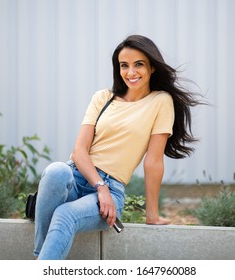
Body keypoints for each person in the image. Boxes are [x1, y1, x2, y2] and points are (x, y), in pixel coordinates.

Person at [34, 34, 202, 260]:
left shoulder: (160, 101)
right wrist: (100, 187)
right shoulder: (103, 98)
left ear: (152, 67)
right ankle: (41, 259)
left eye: (139, 65)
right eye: (124, 66)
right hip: (78, 176)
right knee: (56, 171)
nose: (131, 73)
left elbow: (153, 161)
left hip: (112, 189)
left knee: (65, 214)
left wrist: (151, 214)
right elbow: (79, 151)